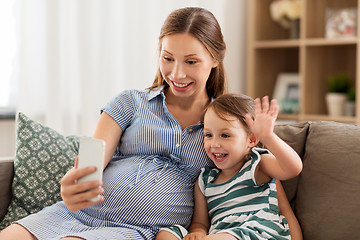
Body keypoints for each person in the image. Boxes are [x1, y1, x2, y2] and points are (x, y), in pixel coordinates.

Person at [0, 7, 301, 240]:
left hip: (139, 228)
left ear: (215, 59)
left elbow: (266, 182)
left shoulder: (227, 125)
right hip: (75, 213)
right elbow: (94, 157)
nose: (177, 73)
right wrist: (75, 183)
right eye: (168, 58)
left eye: (191, 62)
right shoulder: (129, 102)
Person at [156, 94, 303, 240]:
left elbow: (293, 168)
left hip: (255, 233)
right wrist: (198, 232)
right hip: (217, 234)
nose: (214, 144)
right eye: (208, 135)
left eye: (225, 135)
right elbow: (200, 223)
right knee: (166, 234)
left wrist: (268, 137)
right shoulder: (205, 180)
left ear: (251, 139)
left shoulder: (258, 164)